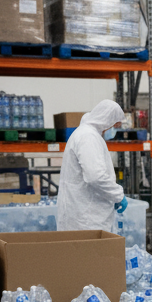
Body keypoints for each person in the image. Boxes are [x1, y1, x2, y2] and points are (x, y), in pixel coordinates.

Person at [56, 99, 128, 233]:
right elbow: (96, 176)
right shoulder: (88, 137)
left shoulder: (86, 134)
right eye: (113, 124)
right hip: (87, 220)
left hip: (83, 216)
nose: (112, 129)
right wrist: (118, 195)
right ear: (106, 120)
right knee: (89, 253)